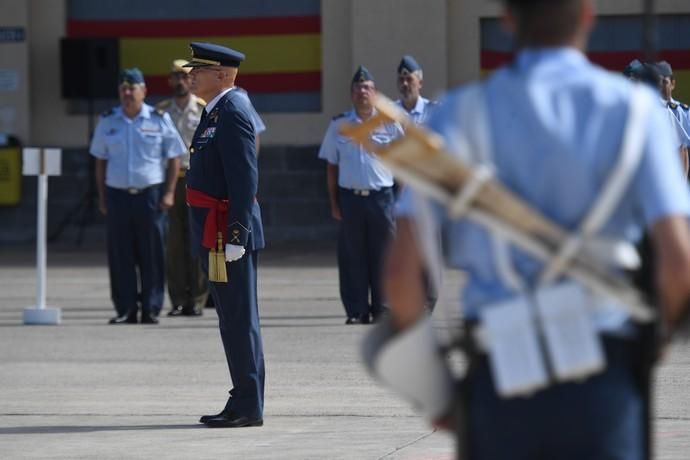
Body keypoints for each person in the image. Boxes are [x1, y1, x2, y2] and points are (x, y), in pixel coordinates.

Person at [381, 0, 690, 458]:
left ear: (508, 18)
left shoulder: (459, 114)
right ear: (588, 14)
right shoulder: (635, 112)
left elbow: (402, 277)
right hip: (604, 370)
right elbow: (679, 265)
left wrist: (439, 393)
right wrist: (654, 342)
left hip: (500, 373)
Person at [184, 42, 265, 428]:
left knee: (238, 318)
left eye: (198, 69)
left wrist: (237, 234)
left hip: (228, 234)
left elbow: (244, 176)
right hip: (215, 232)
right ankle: (242, 398)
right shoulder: (215, 110)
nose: (191, 76)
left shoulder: (232, 110)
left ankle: (248, 404)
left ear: (223, 74)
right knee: (231, 320)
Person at [90, 68, 186, 325]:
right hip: (117, 195)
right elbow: (100, 161)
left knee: (152, 254)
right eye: (123, 89)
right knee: (121, 255)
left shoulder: (158, 118)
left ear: (144, 91)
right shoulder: (108, 120)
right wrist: (102, 197)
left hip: (150, 195)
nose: (127, 93)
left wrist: (168, 192)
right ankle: (126, 309)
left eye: (132, 88)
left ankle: (151, 308)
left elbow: (175, 156)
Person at [318, 65, 403, 325]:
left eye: (366, 88)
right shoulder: (339, 125)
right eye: (357, 88)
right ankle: (356, 310)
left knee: (384, 254)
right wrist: (334, 203)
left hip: (382, 197)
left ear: (374, 92)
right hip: (351, 198)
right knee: (352, 255)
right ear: (351, 93)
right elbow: (331, 166)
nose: (362, 92)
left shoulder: (390, 123)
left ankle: (384, 307)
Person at [156, 60, 209, 317]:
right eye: (175, 76)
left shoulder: (203, 110)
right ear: (169, 81)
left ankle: (197, 299)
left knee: (197, 240)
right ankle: (177, 299)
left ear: (191, 81)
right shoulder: (160, 112)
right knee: (174, 242)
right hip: (170, 181)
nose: (179, 81)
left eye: (184, 77)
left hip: (196, 178)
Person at [395, 55, 439, 312]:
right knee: (403, 249)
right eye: (401, 78)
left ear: (419, 82)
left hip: (426, 190)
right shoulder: (388, 112)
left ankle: (429, 299)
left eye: (409, 78)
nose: (404, 82)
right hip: (398, 191)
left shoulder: (434, 110)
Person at [395, 55, 437, 125]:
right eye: (401, 79)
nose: (405, 83)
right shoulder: (390, 112)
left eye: (409, 79)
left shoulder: (432, 112)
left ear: (420, 83)